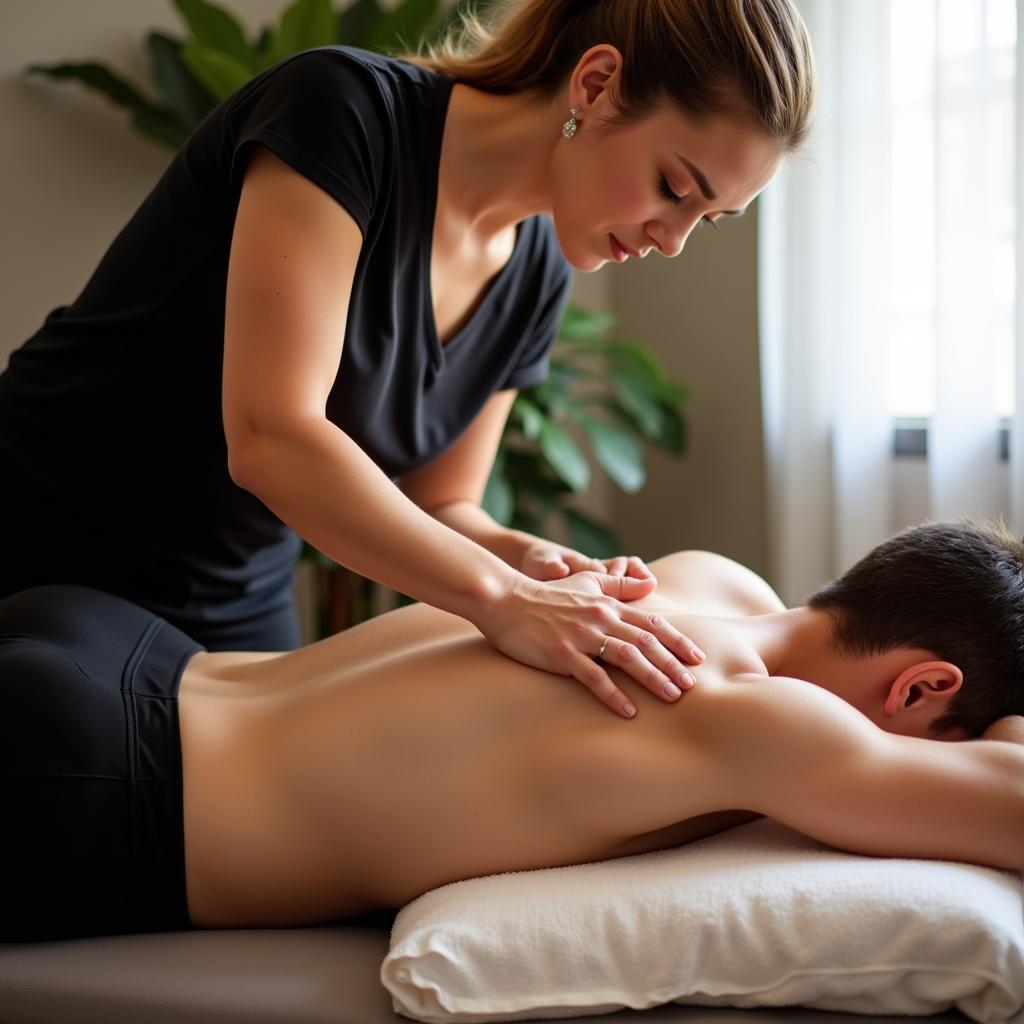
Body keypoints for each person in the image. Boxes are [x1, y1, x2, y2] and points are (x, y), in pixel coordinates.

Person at [0, 0, 815, 718]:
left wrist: (534, 561)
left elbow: (446, 503)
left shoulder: (536, 271)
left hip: (235, 598)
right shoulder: (341, 112)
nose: (671, 241)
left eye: (707, 220)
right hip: (48, 537)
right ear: (596, 83)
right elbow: (272, 434)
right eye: (675, 187)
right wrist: (505, 600)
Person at [2, 517, 1022, 944]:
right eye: (954, 730)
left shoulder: (707, 581)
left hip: (117, 646)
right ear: (923, 687)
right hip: (91, 791)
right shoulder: (763, 721)